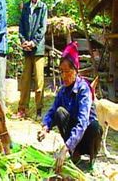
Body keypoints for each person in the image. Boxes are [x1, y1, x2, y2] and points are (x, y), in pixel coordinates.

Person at [37, 42, 103, 171]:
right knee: (59, 112)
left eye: (67, 71)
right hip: (74, 139)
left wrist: (65, 147)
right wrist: (45, 127)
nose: (64, 76)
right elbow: (52, 111)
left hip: (87, 136)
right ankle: (75, 152)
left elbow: (83, 122)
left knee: (95, 126)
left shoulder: (84, 89)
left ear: (75, 71)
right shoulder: (63, 91)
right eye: (61, 71)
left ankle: (91, 157)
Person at [16, 0, 47, 120]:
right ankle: (22, 109)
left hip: (38, 50)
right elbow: (21, 27)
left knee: (39, 81)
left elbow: (42, 28)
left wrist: (33, 43)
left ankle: (39, 110)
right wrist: (23, 41)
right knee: (25, 81)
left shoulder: (43, 7)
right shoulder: (25, 8)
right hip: (26, 49)